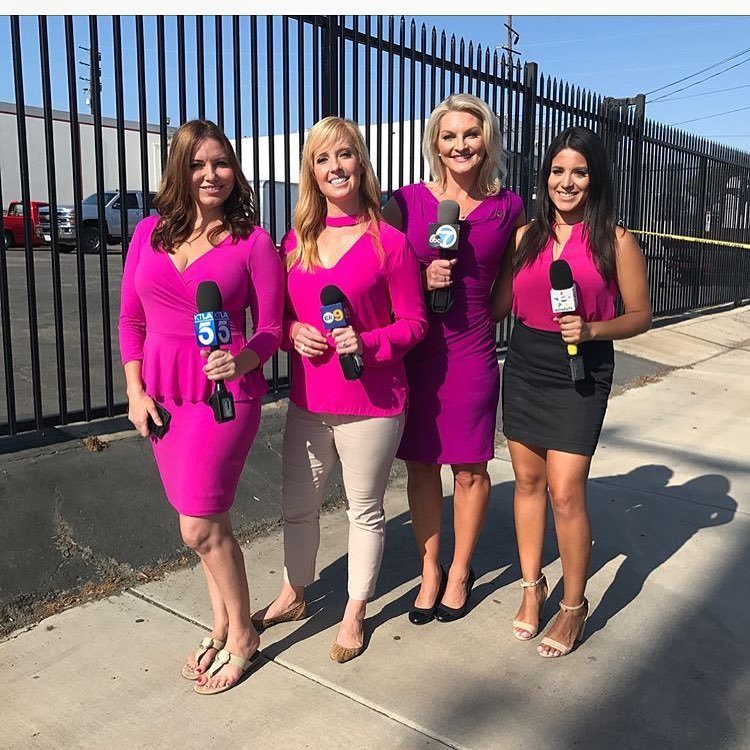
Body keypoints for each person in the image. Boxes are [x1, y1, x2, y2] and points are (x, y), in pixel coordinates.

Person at [250, 116, 427, 663]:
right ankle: (294, 592)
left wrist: (367, 343)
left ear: (361, 163)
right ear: (311, 171)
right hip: (309, 402)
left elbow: (415, 324)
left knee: (364, 510)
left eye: (344, 154)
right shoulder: (295, 242)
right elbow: (277, 318)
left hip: (372, 405)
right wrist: (293, 333)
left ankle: (355, 611)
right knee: (297, 506)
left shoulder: (390, 244)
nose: (335, 167)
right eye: (322, 158)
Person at [118, 119, 284, 693]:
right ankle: (221, 624)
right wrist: (135, 391)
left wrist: (241, 361)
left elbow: (270, 328)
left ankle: (244, 636)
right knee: (208, 522)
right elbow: (131, 320)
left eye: (220, 163)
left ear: (234, 170)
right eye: (197, 164)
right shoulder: (149, 233)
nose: (211, 174)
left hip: (222, 397)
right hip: (163, 396)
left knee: (197, 526)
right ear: (179, 171)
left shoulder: (253, 243)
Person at [502, 125, 652, 657]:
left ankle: (573, 606)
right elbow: (498, 305)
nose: (567, 182)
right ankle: (531, 587)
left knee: (565, 490)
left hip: (582, 367)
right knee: (527, 481)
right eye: (558, 171)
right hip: (526, 361)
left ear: (596, 179)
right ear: (544, 177)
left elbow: (640, 315)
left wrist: (592, 330)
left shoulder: (616, 241)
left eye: (580, 172)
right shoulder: (525, 237)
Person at [382, 93, 525, 625]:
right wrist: (419, 281)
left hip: (472, 351)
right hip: (419, 349)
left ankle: (460, 571)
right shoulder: (406, 203)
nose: (461, 144)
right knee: (421, 465)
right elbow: (377, 274)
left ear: (487, 140)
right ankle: (430, 570)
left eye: (471, 133)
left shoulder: (509, 207)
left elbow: (508, 285)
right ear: (435, 145)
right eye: (449, 136)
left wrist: (487, 316)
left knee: (469, 468)